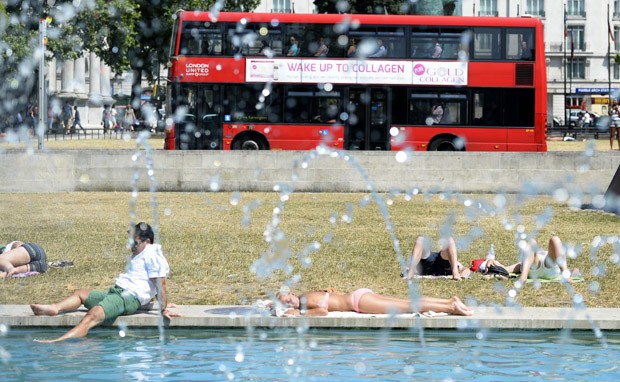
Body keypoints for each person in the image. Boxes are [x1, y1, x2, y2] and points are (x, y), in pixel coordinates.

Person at [30, 222, 180, 342]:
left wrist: (163, 309)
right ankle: (55, 308)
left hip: (126, 298)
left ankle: (57, 341)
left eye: (134, 242)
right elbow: (146, 285)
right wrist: (153, 303)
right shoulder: (142, 254)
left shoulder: (152, 253)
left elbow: (161, 283)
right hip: (117, 293)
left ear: (147, 241)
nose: (131, 246)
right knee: (81, 294)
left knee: (91, 316)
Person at [277, 288, 473, 316]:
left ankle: (451, 307)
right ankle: (449, 300)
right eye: (287, 304)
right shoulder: (306, 293)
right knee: (407, 302)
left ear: (292, 294)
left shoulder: (304, 302)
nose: (290, 305)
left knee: (407, 306)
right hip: (359, 294)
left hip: (358, 302)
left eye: (288, 301)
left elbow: (322, 312)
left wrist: (299, 315)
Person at [486, 236, 579, 285]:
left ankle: (523, 277)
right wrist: (491, 262)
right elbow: (506, 269)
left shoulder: (526, 261)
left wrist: (492, 262)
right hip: (549, 269)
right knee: (555, 239)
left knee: (533, 241)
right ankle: (566, 275)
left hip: (532, 270)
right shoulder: (528, 261)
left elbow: (506, 269)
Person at [403, 236, 471, 281]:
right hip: (428, 265)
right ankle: (410, 273)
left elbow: (465, 269)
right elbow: (465, 269)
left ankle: (455, 273)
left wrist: (463, 274)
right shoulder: (452, 260)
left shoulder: (452, 260)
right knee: (421, 239)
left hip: (434, 266)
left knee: (449, 239)